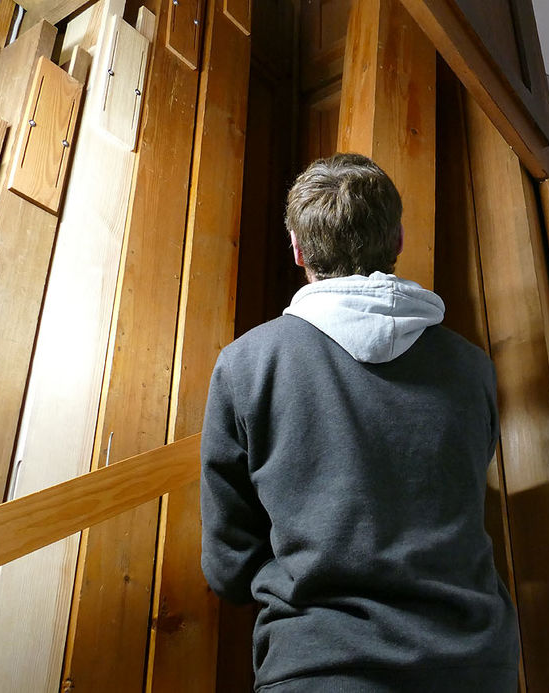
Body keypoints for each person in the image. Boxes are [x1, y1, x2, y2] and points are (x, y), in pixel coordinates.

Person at [200, 153, 520, 692]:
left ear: (298, 250)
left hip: (321, 666)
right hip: (473, 663)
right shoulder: (471, 367)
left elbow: (229, 564)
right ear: (397, 240)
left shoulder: (248, 364)